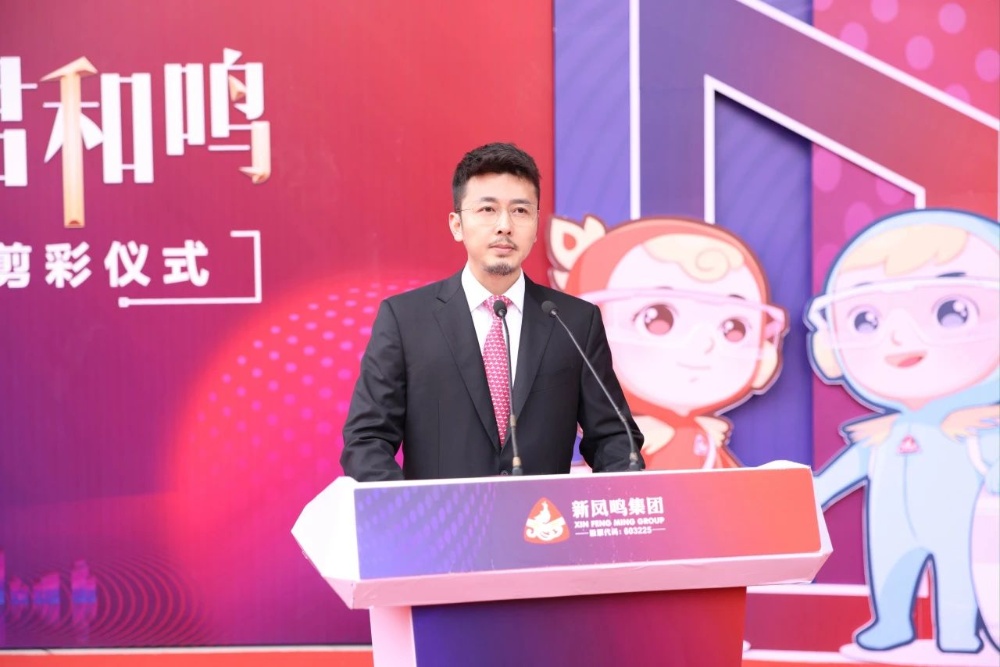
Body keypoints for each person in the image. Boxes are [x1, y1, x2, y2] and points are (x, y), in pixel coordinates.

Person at [340, 142, 644, 481]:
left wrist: (624, 485)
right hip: (441, 515)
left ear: (535, 224)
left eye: (520, 211)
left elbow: (615, 438)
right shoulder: (406, 320)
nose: (504, 226)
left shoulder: (574, 322)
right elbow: (367, 440)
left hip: (544, 514)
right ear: (457, 224)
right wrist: (409, 508)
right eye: (487, 209)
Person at [549, 216, 787, 471]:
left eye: (735, 328)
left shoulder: (701, 440)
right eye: (657, 319)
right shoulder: (629, 439)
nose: (704, 343)